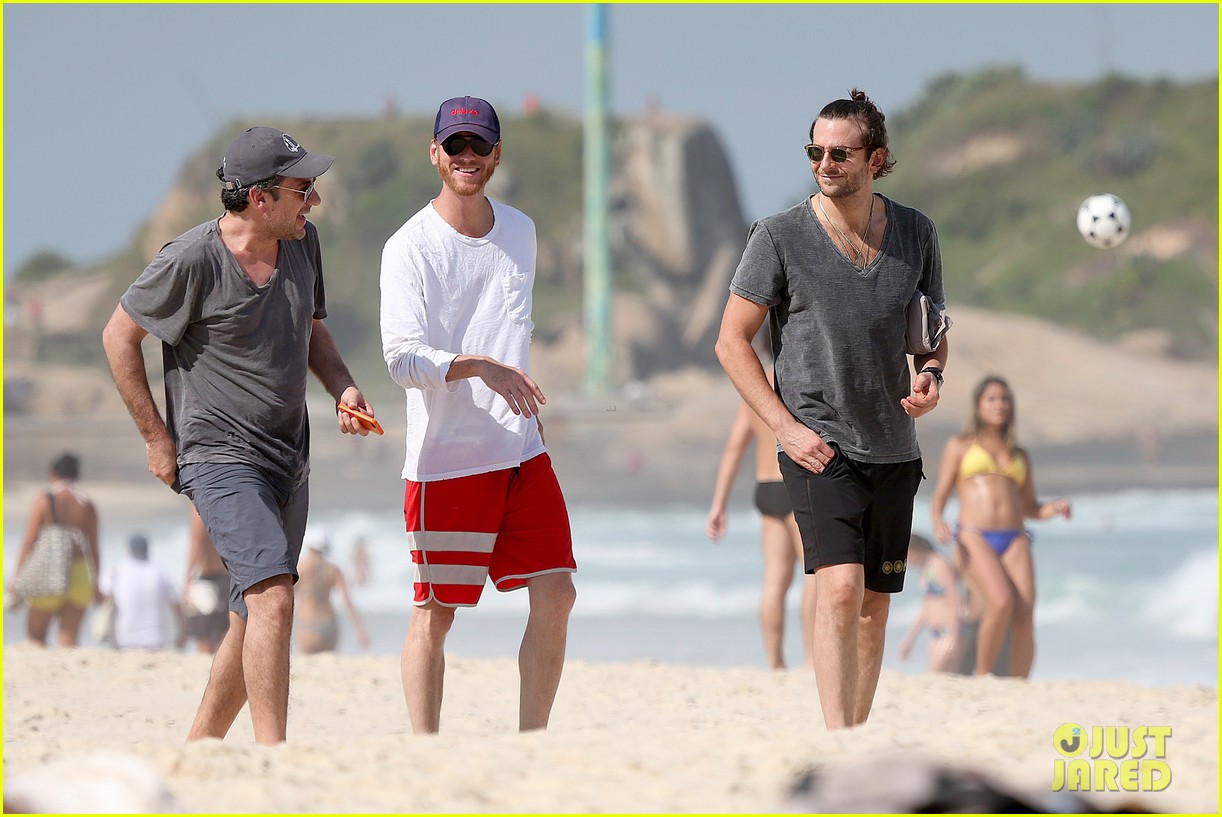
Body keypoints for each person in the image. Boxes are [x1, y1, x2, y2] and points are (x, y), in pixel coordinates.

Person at [101, 126, 376, 745]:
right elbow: (119, 337)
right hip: (219, 452)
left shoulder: (303, 246)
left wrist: (344, 389)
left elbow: (311, 330)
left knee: (247, 615)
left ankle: (201, 749)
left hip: (289, 454)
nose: (315, 201)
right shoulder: (191, 259)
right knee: (275, 600)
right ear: (259, 198)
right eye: (302, 189)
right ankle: (273, 758)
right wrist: (156, 438)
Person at [715, 89, 949, 729]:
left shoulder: (915, 233)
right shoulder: (779, 236)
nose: (824, 162)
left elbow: (929, 332)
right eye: (815, 150)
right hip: (818, 446)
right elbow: (730, 341)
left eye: (839, 152)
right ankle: (835, 737)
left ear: (877, 159)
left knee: (875, 604)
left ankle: (856, 732)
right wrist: (785, 429)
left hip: (895, 448)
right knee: (839, 589)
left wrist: (930, 373)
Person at [380, 95, 577, 734]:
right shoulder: (408, 247)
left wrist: (521, 404)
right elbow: (401, 359)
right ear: (435, 153)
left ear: (497, 155)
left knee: (558, 593)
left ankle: (532, 742)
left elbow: (511, 325)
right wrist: (478, 367)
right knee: (436, 614)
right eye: (455, 146)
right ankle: (424, 748)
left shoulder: (521, 230)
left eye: (479, 146)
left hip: (521, 451)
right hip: (447, 463)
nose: (468, 157)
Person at [929, 375, 1072, 679]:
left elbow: (1031, 507)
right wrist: (938, 520)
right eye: (991, 398)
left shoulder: (1020, 455)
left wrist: (1056, 507)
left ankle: (1019, 685)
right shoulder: (960, 446)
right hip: (974, 535)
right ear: (978, 405)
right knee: (1000, 601)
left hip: (1015, 536)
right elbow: (941, 493)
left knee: (1024, 617)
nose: (999, 404)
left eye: (1004, 399)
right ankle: (983, 676)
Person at [706, 351, 815, 670]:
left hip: (766, 488)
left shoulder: (755, 385)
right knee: (815, 578)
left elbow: (733, 448)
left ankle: (775, 661)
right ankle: (811, 657)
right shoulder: (796, 377)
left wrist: (719, 504)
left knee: (774, 581)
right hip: (796, 485)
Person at [8, 453, 100, 646]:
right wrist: (96, 584)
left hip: (48, 573)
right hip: (79, 573)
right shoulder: (86, 504)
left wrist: (16, 577)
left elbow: (29, 541)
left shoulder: (44, 500)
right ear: (77, 475)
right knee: (68, 640)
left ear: (53, 474)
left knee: (36, 637)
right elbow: (93, 548)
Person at [100, 534, 187, 651]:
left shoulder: (118, 570)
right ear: (148, 549)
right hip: (156, 641)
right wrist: (182, 634)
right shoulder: (161, 572)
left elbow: (104, 596)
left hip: (124, 640)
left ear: (129, 549)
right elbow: (177, 606)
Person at [294, 526, 370, 654]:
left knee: (309, 663)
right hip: (330, 625)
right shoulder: (334, 569)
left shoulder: (300, 568)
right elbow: (347, 601)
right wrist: (360, 630)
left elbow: (287, 598)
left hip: (308, 625)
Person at [896, 534, 962, 673]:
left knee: (934, 675)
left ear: (917, 549)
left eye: (909, 555)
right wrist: (909, 642)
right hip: (935, 634)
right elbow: (926, 610)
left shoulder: (939, 564)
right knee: (942, 679)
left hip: (947, 631)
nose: (908, 561)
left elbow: (954, 600)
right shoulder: (926, 569)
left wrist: (953, 636)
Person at [182, 504, 231, 654]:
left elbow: (197, 537)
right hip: (230, 575)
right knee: (225, 632)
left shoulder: (201, 498)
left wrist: (187, 578)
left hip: (209, 576)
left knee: (204, 636)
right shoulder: (228, 500)